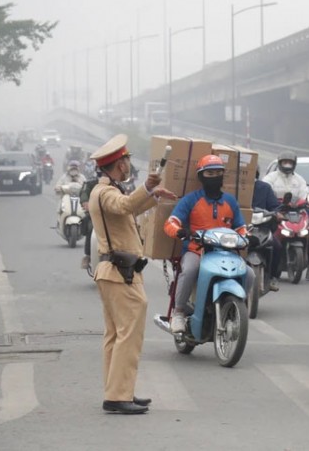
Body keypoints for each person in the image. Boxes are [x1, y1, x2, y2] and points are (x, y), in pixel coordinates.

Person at [89, 134, 177, 414]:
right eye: (125, 160)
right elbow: (124, 206)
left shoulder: (107, 190)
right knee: (128, 334)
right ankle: (117, 396)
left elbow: (127, 208)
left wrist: (151, 195)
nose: (128, 163)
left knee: (116, 335)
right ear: (118, 165)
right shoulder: (105, 193)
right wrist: (147, 187)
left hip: (115, 271)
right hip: (119, 272)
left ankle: (118, 391)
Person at [164, 155, 253, 333]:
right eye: (210, 173)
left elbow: (241, 227)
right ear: (201, 177)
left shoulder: (230, 201)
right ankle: (179, 312)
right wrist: (180, 231)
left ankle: (235, 309)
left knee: (249, 274)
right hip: (196, 251)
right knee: (188, 270)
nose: (214, 177)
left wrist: (247, 237)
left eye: (218, 173)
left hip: (225, 252)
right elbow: (170, 223)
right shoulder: (190, 200)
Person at [262, 150, 309, 279]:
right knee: (268, 237)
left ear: (294, 164)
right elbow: (265, 191)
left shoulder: (299, 179)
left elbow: (305, 192)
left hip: (296, 211)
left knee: (308, 235)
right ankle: (266, 267)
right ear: (280, 163)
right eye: (285, 162)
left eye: (290, 162)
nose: (287, 165)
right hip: (277, 211)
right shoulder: (271, 178)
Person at [253, 165, 282, 292]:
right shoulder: (231, 188)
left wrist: (276, 214)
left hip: (261, 228)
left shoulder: (264, 188)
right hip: (239, 229)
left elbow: (275, 207)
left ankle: (272, 277)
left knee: (276, 246)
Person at [80, 168, 102, 270]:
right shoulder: (91, 182)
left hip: (115, 215)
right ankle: (88, 256)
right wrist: (85, 202)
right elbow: (84, 192)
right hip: (96, 215)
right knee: (90, 228)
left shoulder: (119, 183)